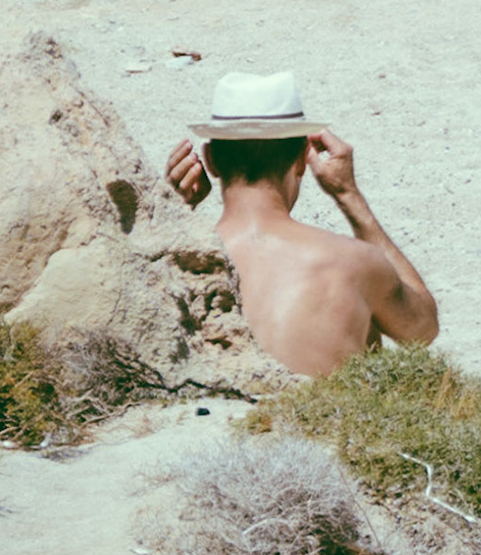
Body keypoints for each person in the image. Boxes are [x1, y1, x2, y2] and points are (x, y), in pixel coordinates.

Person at [165, 71, 437, 376]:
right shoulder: (354, 263)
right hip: (317, 419)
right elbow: (421, 330)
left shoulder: (174, 265)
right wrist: (349, 195)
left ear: (211, 160)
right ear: (300, 160)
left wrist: (173, 213)